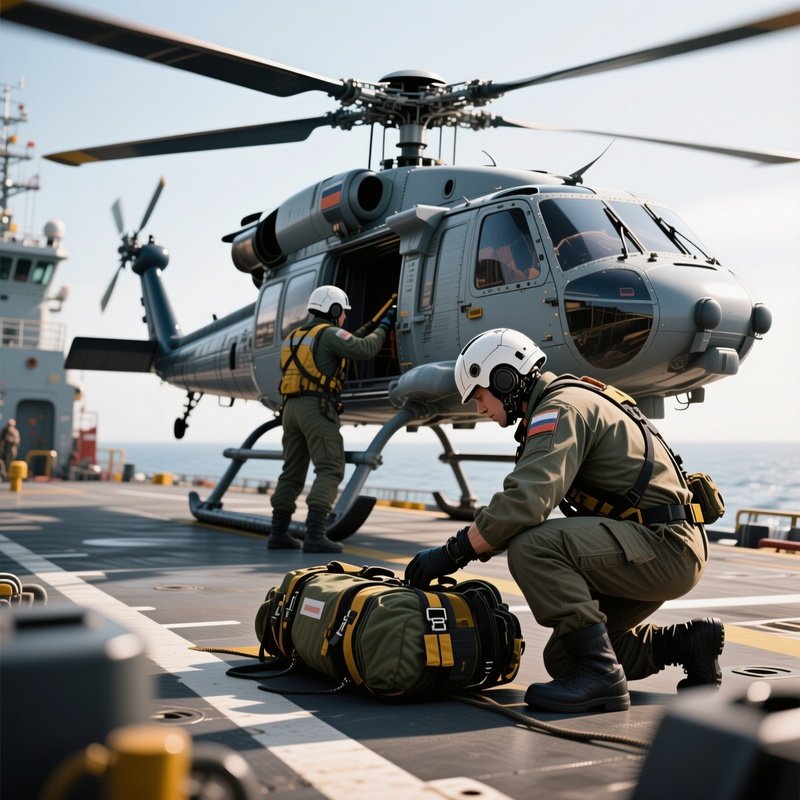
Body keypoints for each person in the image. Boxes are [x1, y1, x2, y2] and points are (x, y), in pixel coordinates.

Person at [405, 328, 723, 714]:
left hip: (665, 547)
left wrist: (450, 554)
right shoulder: (566, 400)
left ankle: (602, 678)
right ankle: (688, 643)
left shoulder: (561, 409)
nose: (479, 409)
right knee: (565, 659)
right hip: (663, 544)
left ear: (505, 379)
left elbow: (525, 503)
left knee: (532, 548)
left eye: (479, 395)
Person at [269, 286, 396, 553]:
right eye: (343, 313)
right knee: (330, 468)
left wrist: (370, 325)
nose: (344, 319)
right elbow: (365, 349)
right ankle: (315, 534)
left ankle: (277, 533)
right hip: (316, 408)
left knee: (291, 473)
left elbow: (339, 346)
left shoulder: (293, 337)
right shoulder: (328, 334)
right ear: (334, 310)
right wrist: (385, 325)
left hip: (290, 410)